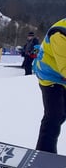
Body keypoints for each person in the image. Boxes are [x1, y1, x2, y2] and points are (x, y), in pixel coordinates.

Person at [32, 17, 66, 153]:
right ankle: (44, 152)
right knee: (54, 114)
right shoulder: (60, 34)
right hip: (50, 76)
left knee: (61, 114)